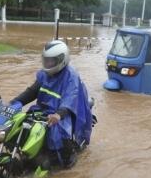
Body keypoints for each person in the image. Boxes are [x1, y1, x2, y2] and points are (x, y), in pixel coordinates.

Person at [11, 40, 93, 169]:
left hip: (65, 111)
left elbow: (70, 98)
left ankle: (67, 159)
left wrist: (59, 115)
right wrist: (14, 103)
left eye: (51, 61)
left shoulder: (71, 76)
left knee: (58, 132)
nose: (48, 63)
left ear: (62, 60)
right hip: (44, 109)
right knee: (25, 124)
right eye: (46, 60)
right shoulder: (45, 74)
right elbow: (32, 91)